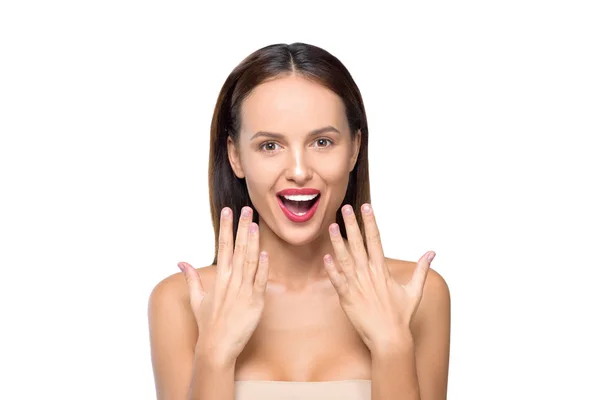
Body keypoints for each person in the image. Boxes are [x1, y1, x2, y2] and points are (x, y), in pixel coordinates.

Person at [148, 42, 451, 400]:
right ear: (235, 155)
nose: (298, 171)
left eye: (322, 142)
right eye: (270, 146)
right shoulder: (183, 301)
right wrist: (215, 355)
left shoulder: (415, 294)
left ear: (354, 148)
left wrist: (391, 345)